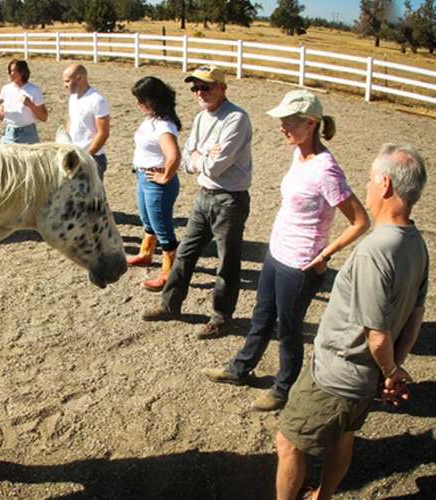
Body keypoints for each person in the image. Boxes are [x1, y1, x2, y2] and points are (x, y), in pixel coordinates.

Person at [275, 144, 428, 500]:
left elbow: (376, 335)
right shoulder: (416, 244)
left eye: (372, 179)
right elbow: (416, 315)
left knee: (288, 443)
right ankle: (322, 497)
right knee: (344, 436)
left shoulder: (377, 249)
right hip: (365, 379)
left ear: (386, 184)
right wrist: (393, 369)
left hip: (337, 374)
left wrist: (391, 372)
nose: (368, 187)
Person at [201, 90, 370, 411]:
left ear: (310, 123)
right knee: (261, 317)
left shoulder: (326, 169)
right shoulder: (299, 155)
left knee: (289, 330)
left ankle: (283, 388)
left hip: (302, 265)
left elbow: (361, 221)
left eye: (288, 122)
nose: (282, 127)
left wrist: (325, 254)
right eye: (281, 121)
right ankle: (240, 369)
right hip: (277, 254)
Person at [141, 65, 252, 340]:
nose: (200, 93)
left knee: (227, 262)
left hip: (229, 199)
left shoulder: (236, 119)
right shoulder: (202, 117)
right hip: (205, 196)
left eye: (206, 87)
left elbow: (214, 165)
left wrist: (198, 157)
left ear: (222, 88)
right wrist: (202, 157)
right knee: (186, 253)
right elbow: (188, 159)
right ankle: (170, 306)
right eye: (195, 88)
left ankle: (221, 318)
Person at [127, 76, 182, 290]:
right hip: (144, 177)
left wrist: (165, 176)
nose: (137, 104)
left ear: (152, 100)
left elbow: (174, 155)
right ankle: (146, 253)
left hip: (155, 182)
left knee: (163, 227)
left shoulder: (163, 125)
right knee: (147, 220)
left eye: (140, 100)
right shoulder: (152, 118)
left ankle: (169, 272)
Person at [63, 64, 110, 180]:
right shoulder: (73, 97)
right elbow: (71, 121)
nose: (65, 85)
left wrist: (86, 155)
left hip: (92, 158)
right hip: (74, 155)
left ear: (79, 79)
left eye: (67, 81)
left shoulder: (97, 100)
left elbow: (103, 133)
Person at [0, 59, 48, 144]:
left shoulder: (34, 90)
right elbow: (2, 117)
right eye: (9, 71)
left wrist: (30, 105)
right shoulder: (5, 89)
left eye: (13, 71)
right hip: (8, 134)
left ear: (22, 72)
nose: (10, 74)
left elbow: (44, 117)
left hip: (28, 135)